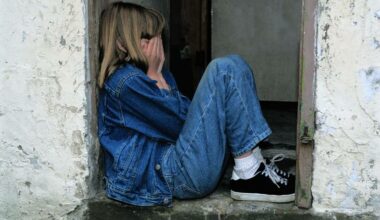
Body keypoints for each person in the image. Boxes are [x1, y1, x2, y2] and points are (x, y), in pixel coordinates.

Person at [97, 2, 295, 207]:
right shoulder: (126, 82)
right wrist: (156, 76)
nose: (157, 46)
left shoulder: (147, 75)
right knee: (222, 70)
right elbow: (180, 124)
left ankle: (251, 166)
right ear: (122, 43)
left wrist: (159, 77)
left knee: (235, 63)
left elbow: (189, 120)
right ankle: (249, 174)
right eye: (148, 38)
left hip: (178, 165)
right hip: (171, 176)